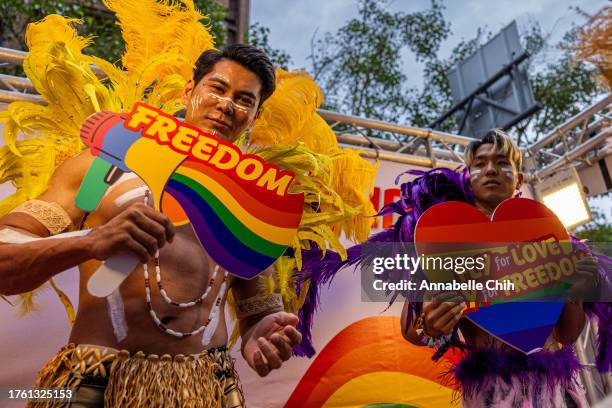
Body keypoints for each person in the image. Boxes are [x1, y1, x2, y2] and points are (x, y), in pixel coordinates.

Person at [0, 43, 301, 407]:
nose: (226, 105)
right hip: (97, 382)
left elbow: (259, 310)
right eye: (217, 89)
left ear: (254, 115)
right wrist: (90, 241)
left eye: (244, 100)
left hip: (208, 387)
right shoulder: (103, 166)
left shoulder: (255, 205)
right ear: (190, 91)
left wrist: (259, 336)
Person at [299, 129, 611, 407]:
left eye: (502, 162)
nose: (490, 169)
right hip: (490, 394)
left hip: (554, 391)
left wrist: (569, 292)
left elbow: (568, 334)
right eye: (480, 163)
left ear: (518, 179)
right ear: (468, 175)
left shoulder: (547, 239)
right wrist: (431, 326)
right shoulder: (447, 240)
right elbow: (413, 331)